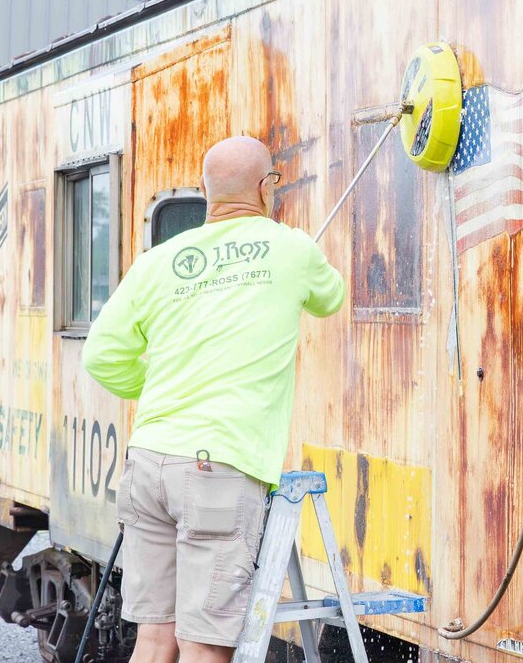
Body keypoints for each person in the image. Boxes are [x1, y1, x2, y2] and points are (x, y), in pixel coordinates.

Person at [82, 136, 345, 663]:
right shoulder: (292, 249)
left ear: (205, 192)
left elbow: (101, 356)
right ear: (267, 187)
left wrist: (162, 387)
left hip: (148, 463)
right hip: (217, 469)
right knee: (203, 644)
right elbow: (331, 298)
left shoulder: (159, 261)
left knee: (154, 640)